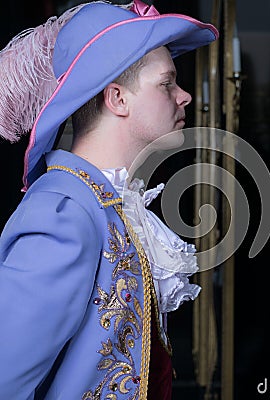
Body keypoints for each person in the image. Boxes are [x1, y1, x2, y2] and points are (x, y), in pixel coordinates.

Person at [0, 1, 218, 399]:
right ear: (117, 98)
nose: (184, 95)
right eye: (167, 83)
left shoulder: (107, 203)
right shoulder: (62, 215)